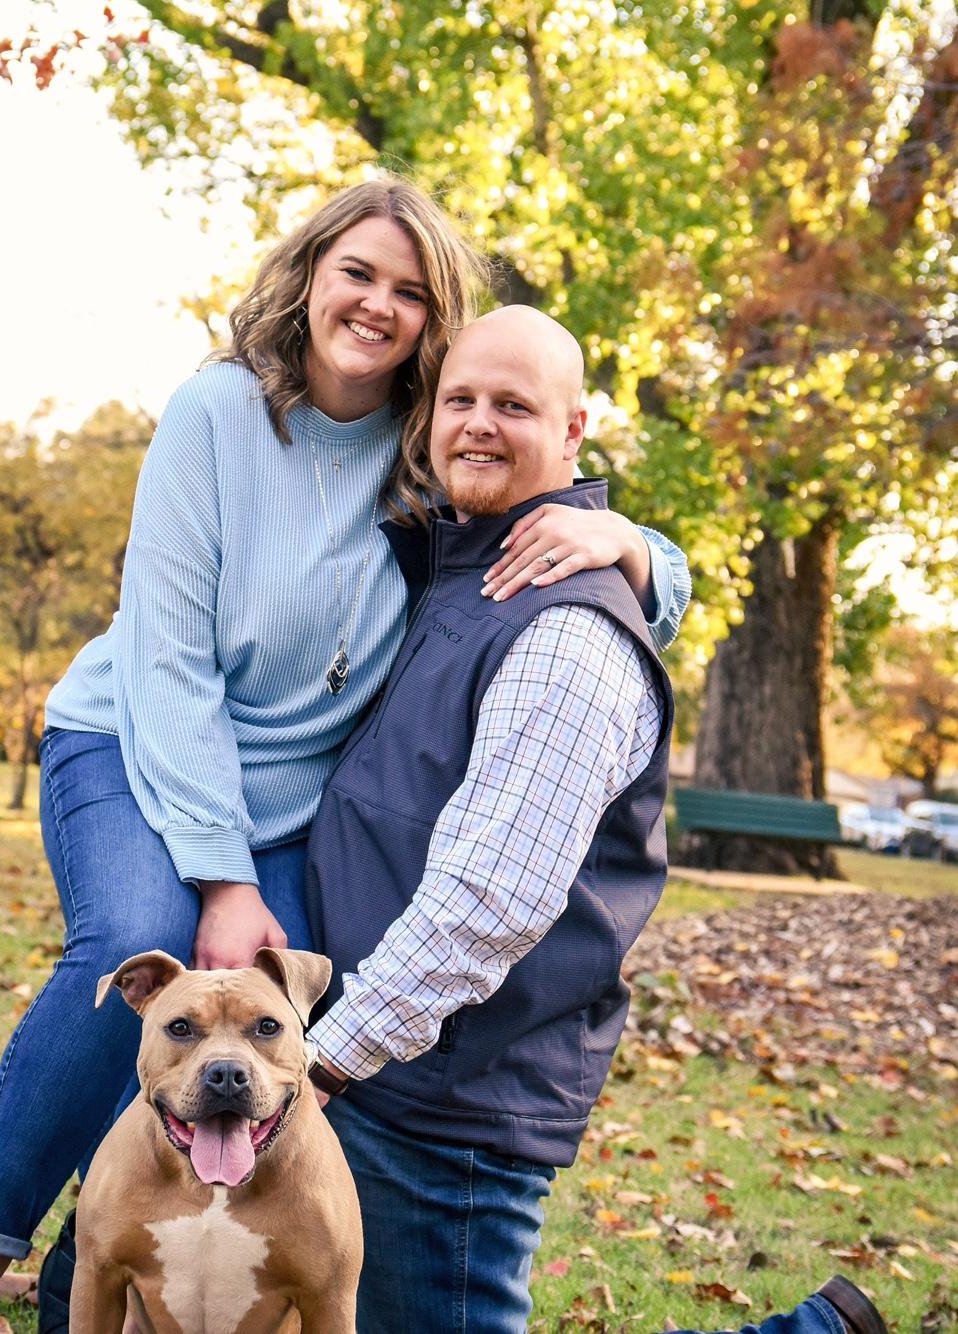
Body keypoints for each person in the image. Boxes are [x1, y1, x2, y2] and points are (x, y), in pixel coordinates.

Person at [0, 179, 692, 1334]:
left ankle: (101, 1269)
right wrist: (220, 877)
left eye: (411, 292)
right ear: (309, 273)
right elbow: (168, 661)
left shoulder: (424, 443)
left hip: (293, 791)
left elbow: (544, 509)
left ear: (435, 321)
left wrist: (629, 541)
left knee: (268, 1010)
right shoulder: (215, 411)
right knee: (134, 940)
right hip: (136, 736)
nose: (376, 304)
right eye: (355, 272)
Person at [299, 306, 885, 1334]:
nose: (478, 423)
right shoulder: (467, 564)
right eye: (460, 399)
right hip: (392, 1070)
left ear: (573, 431)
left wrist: (322, 1061)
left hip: (440, 1093)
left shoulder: (564, 632)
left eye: (513, 405)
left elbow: (490, 900)